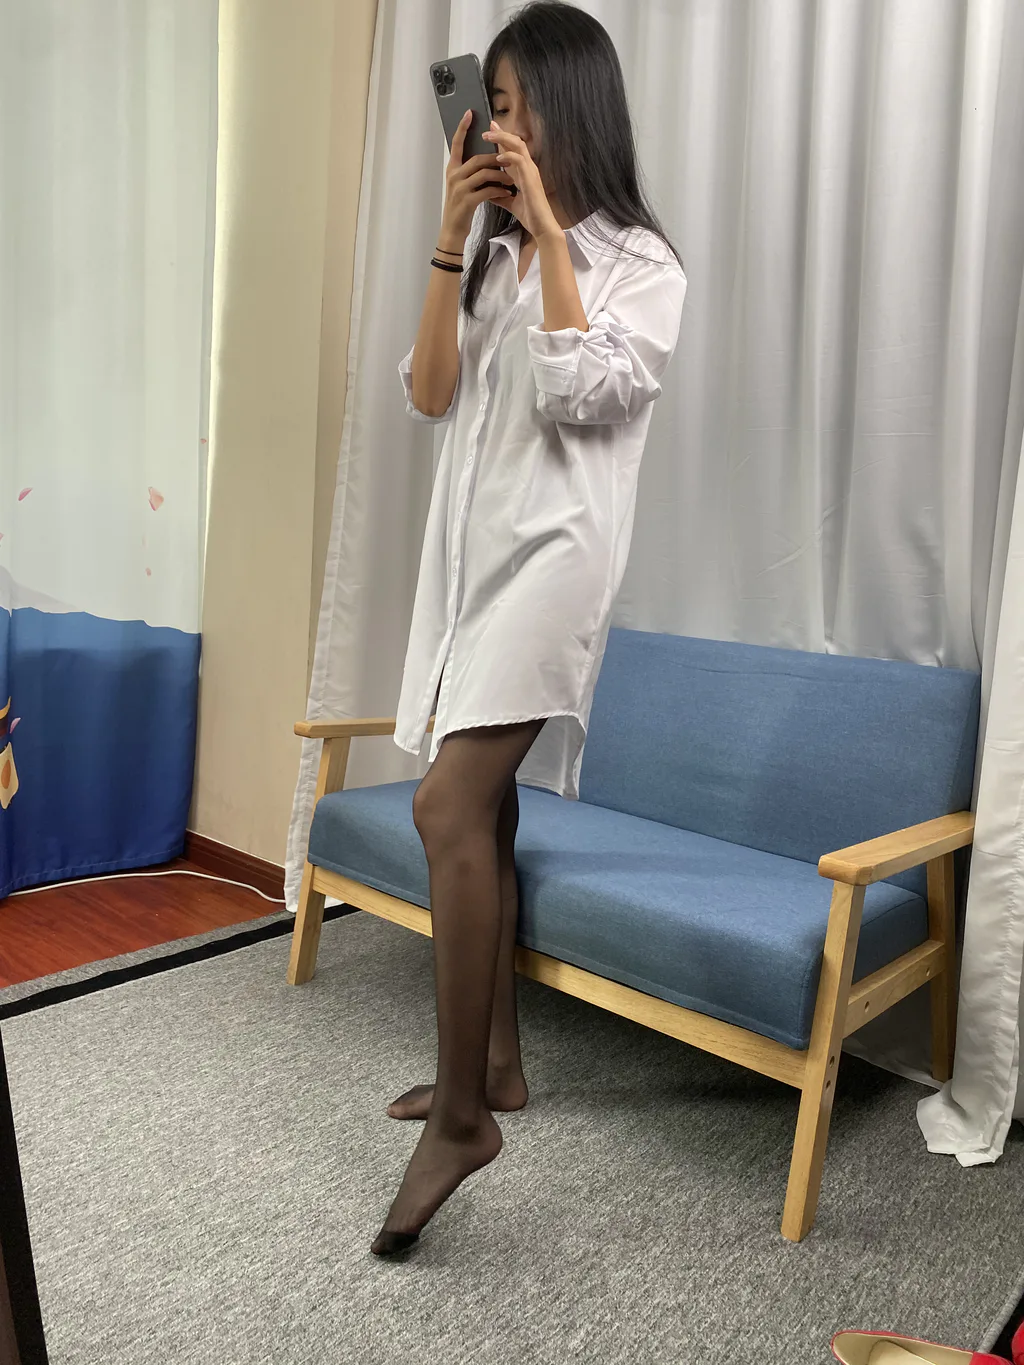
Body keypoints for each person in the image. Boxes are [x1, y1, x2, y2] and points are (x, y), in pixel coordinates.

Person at [371, 0, 688, 1256]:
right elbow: (429, 396)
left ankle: (460, 1120)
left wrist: (551, 232)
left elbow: (577, 392)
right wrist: (454, 238)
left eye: (509, 106)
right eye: (485, 106)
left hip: (555, 563)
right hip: (471, 560)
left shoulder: (642, 264)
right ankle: (497, 1068)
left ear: (568, 106)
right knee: (485, 810)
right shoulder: (492, 257)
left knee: (443, 806)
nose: (494, 126)